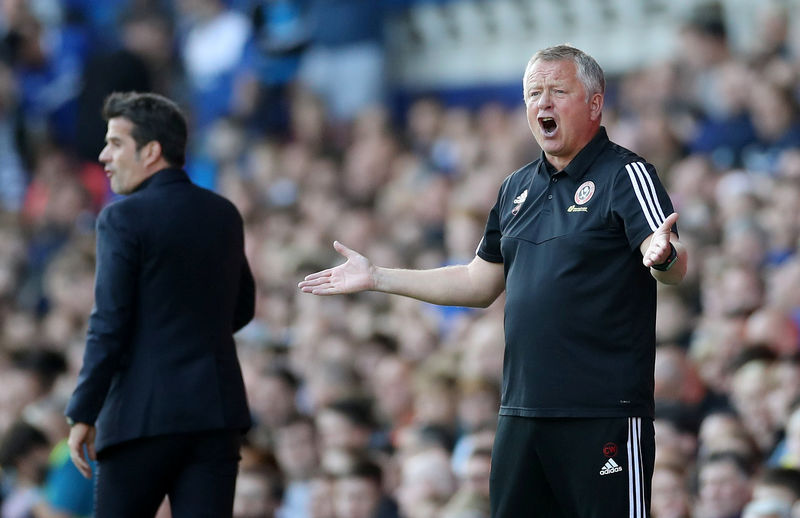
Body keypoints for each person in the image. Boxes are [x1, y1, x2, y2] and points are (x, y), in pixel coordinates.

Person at [300, 44, 688, 517]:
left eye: (557, 91)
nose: (542, 103)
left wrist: (662, 257)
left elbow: (671, 257)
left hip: (602, 412)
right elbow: (477, 283)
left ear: (594, 102)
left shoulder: (627, 174)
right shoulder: (515, 189)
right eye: (532, 93)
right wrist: (378, 276)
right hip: (521, 414)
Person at [65, 92, 255, 517]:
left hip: (139, 420)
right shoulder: (223, 213)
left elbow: (109, 324)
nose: (103, 156)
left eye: (115, 144)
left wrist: (83, 412)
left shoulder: (122, 217)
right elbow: (241, 307)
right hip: (215, 415)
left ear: (151, 152)